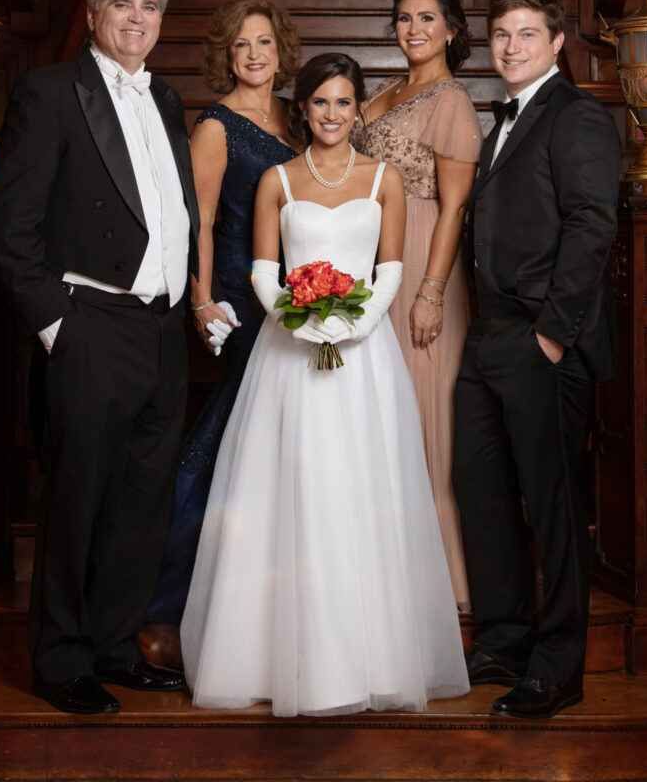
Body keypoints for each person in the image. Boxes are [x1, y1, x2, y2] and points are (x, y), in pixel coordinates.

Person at [181, 53, 470, 717]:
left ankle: (366, 660)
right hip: (289, 353)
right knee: (288, 490)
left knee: (358, 491)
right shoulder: (278, 180)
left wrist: (355, 323)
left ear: (355, 108)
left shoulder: (384, 180)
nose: (333, 115)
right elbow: (261, 270)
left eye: (344, 103)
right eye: (320, 104)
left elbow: (392, 270)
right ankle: (270, 659)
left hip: (364, 356)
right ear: (302, 109)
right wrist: (300, 320)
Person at [0, 0, 205, 714]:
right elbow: (11, 224)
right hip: (90, 325)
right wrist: (56, 328)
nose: (137, 18)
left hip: (160, 329)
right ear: (92, 12)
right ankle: (61, 659)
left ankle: (114, 645)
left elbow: (174, 214)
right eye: (122, 4)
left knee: (141, 503)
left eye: (149, 6)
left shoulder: (167, 98)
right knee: (77, 502)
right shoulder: (50, 92)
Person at [452, 0, 621, 719]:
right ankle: (502, 638)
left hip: (541, 339)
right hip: (486, 336)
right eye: (502, 36)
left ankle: (557, 667)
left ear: (557, 43)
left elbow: (591, 225)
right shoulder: (503, 124)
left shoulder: (578, 117)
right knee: (481, 491)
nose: (511, 47)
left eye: (527, 34)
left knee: (552, 506)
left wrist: (553, 332)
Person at [139, 0, 301, 666]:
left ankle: (251, 610)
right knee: (217, 443)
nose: (255, 55)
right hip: (240, 304)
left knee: (264, 449)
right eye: (242, 46)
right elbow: (197, 221)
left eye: (264, 42)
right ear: (226, 57)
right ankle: (160, 611)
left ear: (281, 51)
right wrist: (203, 302)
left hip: (292, 299)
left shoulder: (295, 118)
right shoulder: (216, 127)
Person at [352, 0, 481, 611]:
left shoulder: (451, 99)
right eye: (404, 18)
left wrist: (431, 292)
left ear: (452, 29)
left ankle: (442, 585)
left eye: (428, 18)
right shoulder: (388, 92)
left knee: (425, 412)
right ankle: (385, 570)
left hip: (426, 259)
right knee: (382, 411)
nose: (414, 29)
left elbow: (455, 206)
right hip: (378, 261)